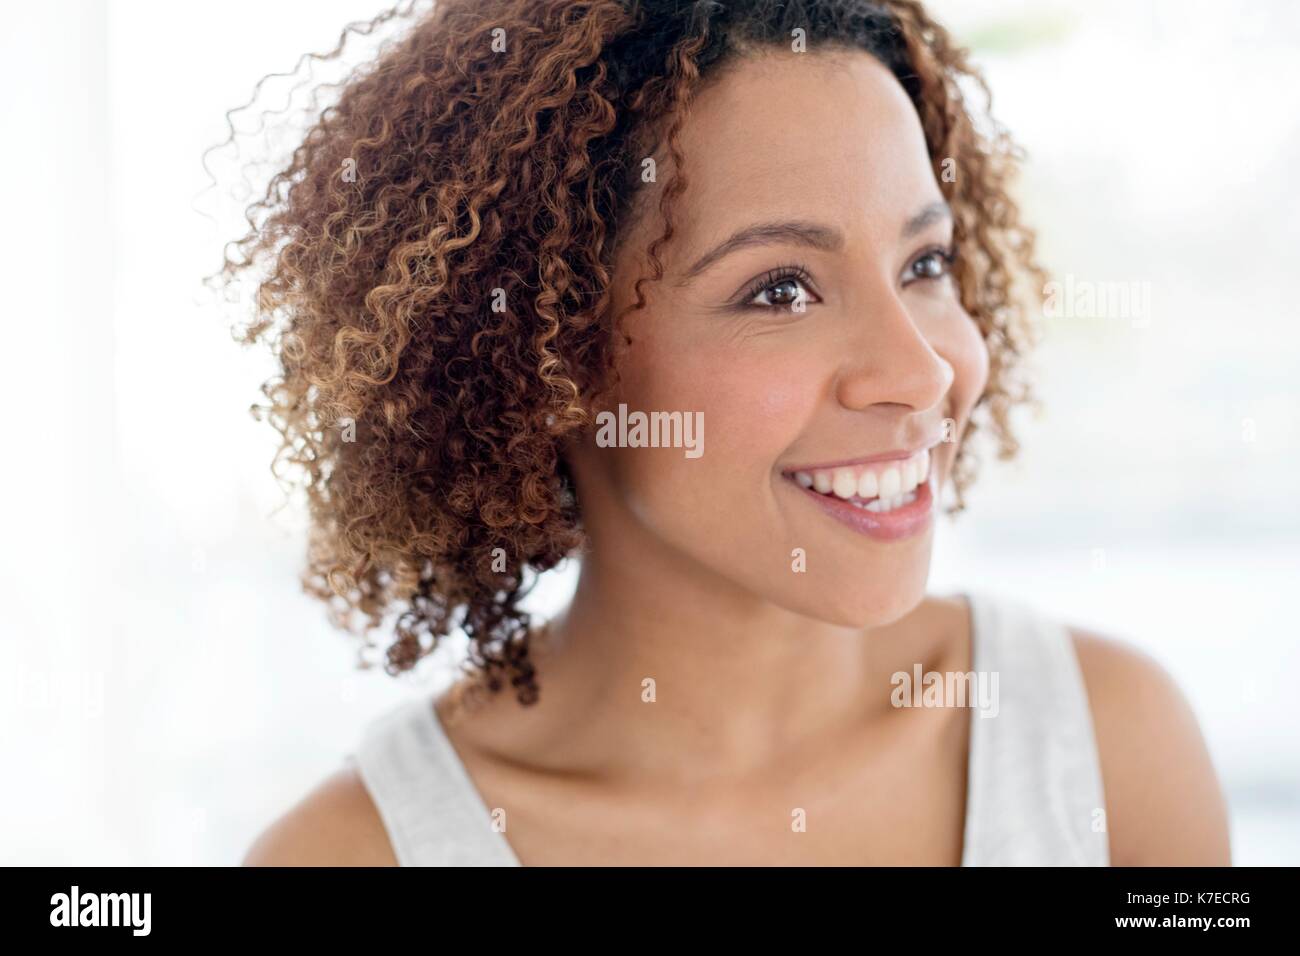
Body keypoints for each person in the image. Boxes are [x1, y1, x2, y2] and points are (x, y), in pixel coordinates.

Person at [229, 0, 1230, 866]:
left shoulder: (1108, 744)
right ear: (547, 358)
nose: (922, 372)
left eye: (923, 263)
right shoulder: (357, 851)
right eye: (781, 289)